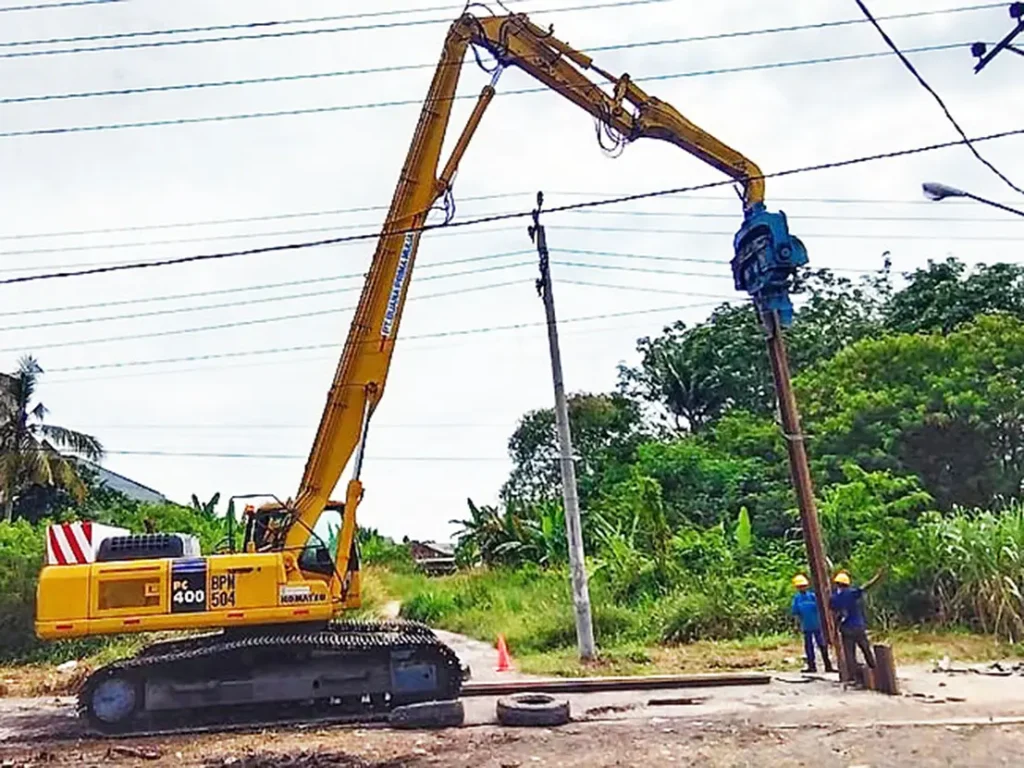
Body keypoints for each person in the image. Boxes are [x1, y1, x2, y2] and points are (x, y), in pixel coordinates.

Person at [829, 568, 885, 676]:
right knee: (865, 649)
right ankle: (874, 670)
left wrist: (835, 630)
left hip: (846, 628)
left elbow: (835, 613)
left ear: (837, 584)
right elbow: (865, 587)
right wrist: (876, 577)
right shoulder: (852, 593)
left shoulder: (834, 598)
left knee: (850, 653)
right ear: (847, 584)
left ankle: (853, 676)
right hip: (858, 626)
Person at [790, 574, 834, 673]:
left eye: (803, 586)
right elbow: (796, 613)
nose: (802, 588)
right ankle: (812, 666)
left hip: (817, 625)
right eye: (800, 586)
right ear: (797, 587)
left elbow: (822, 609)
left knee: (822, 645)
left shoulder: (813, 596)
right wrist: (797, 625)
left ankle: (828, 665)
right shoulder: (797, 599)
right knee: (809, 647)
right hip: (806, 626)